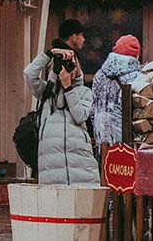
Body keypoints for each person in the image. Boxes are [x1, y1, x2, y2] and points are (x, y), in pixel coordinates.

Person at [23, 19, 98, 184]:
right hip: (52, 171)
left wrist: (68, 88)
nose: (69, 68)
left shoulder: (84, 92)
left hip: (81, 169)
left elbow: (80, 116)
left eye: (72, 64)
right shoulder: (47, 93)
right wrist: (49, 54)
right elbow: (29, 74)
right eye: (64, 64)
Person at [92, 35, 142, 156]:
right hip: (126, 144)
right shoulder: (136, 76)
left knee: (105, 172)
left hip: (101, 140)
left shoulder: (99, 74)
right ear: (136, 54)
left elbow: (92, 107)